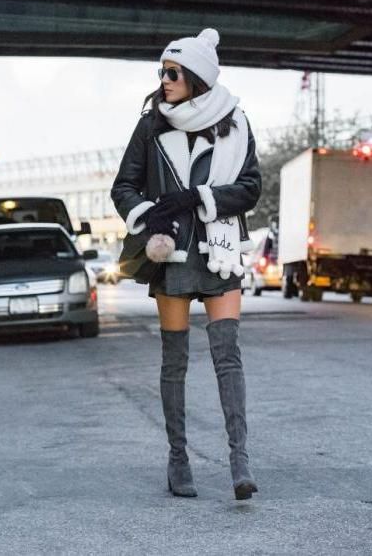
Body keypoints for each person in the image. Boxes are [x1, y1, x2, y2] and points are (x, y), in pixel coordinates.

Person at [111, 28, 262, 500]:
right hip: (171, 252)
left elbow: (251, 188)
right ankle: (178, 459)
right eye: (162, 71)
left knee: (227, 356)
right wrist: (148, 213)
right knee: (174, 360)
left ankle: (240, 461)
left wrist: (198, 198)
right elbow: (123, 187)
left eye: (173, 72)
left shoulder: (235, 124)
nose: (164, 79)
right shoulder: (151, 126)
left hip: (220, 250)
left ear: (197, 76)